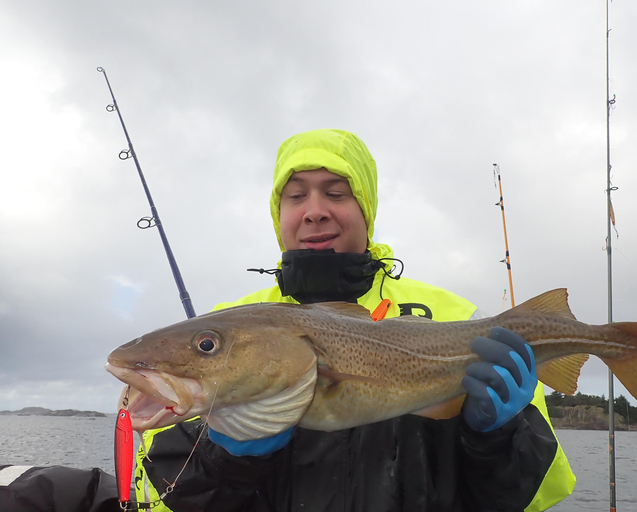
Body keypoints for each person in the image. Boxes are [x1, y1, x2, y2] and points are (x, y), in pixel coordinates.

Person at [132, 129, 575, 512]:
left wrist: (498, 438)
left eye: (336, 193)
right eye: (296, 195)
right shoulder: (234, 326)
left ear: (365, 208)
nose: (315, 210)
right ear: (278, 213)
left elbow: (539, 495)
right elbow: (161, 498)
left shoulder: (461, 319)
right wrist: (227, 455)